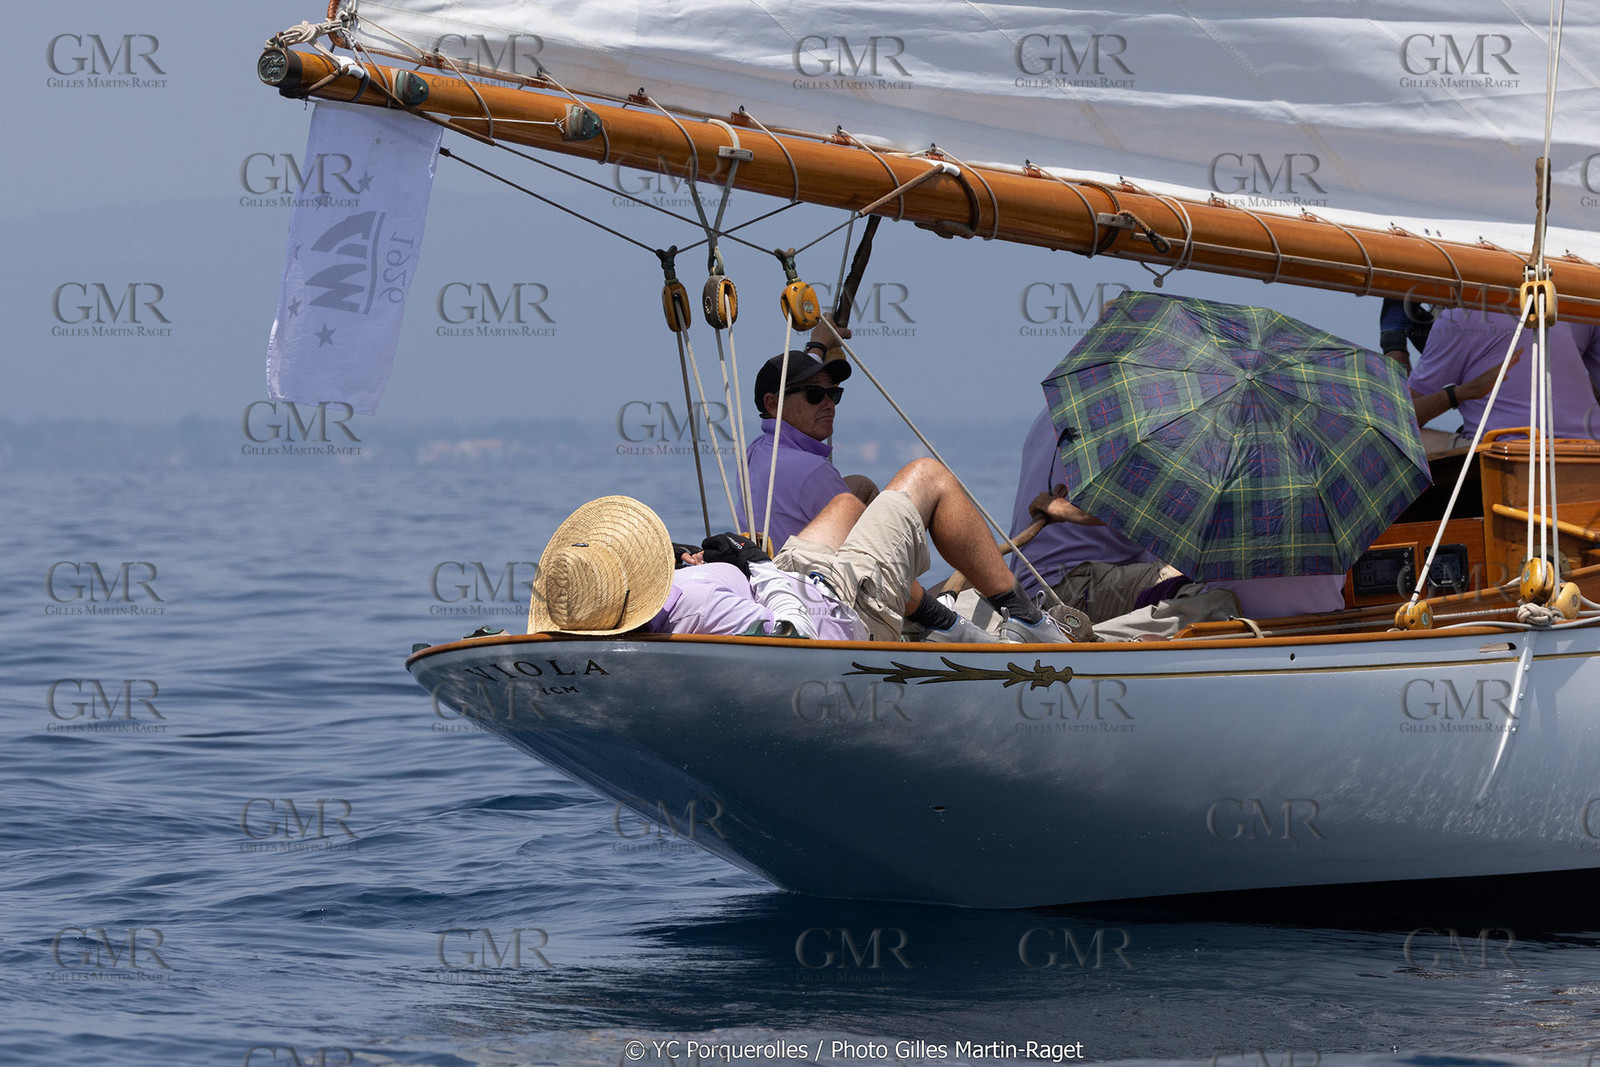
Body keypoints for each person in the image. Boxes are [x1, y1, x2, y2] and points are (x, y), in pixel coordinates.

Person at [530, 477, 1081, 643]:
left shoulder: (609, 621)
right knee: (928, 479)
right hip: (828, 607)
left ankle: (936, 621)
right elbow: (783, 635)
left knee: (847, 504)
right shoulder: (702, 588)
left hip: (794, 584)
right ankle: (1029, 624)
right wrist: (754, 566)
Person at [1407, 306, 1600, 453]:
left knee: (1393, 436)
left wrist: (1458, 394)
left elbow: (1400, 417)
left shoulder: (1457, 318)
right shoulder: (1553, 311)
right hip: (1590, 448)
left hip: (1513, 453)